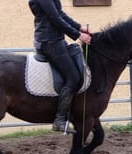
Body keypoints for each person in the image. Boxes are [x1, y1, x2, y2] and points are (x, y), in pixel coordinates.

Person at [28, 0, 92, 134]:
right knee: (73, 78)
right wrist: (78, 35)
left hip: (55, 40)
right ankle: (60, 120)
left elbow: (60, 14)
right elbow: (55, 18)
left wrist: (79, 27)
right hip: (49, 42)